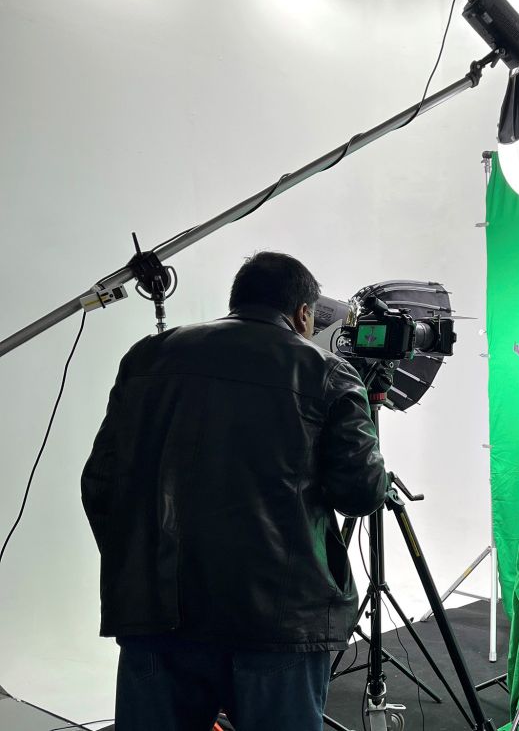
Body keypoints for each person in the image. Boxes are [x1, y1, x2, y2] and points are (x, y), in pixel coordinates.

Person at [81, 251, 388, 730]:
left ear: (237, 299)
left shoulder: (147, 357)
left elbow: (100, 482)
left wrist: (140, 566)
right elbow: (362, 494)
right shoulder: (326, 372)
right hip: (277, 623)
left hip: (157, 615)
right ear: (304, 313)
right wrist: (370, 412)